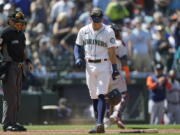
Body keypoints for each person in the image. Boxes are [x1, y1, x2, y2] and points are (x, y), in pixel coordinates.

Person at [74, 8, 119, 133]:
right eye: (95, 19)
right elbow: (77, 45)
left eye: (98, 19)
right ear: (91, 18)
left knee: (101, 94)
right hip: (89, 66)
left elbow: (111, 51)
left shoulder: (108, 31)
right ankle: (98, 124)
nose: (97, 22)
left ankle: (100, 122)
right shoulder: (84, 30)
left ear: (102, 18)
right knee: (93, 96)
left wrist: (115, 68)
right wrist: (77, 57)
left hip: (103, 65)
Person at [0, 11, 33, 131]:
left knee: (17, 97)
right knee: (10, 96)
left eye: (22, 23)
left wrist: (28, 61)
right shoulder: (5, 32)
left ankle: (13, 122)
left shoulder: (21, 34)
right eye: (18, 22)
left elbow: (23, 51)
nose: (20, 25)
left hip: (19, 66)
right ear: (11, 22)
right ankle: (7, 123)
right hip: (9, 66)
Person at [104, 23, 130, 129]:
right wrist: (128, 75)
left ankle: (107, 120)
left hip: (102, 73)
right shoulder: (118, 43)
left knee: (108, 97)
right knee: (123, 95)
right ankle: (116, 115)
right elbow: (123, 61)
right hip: (114, 71)